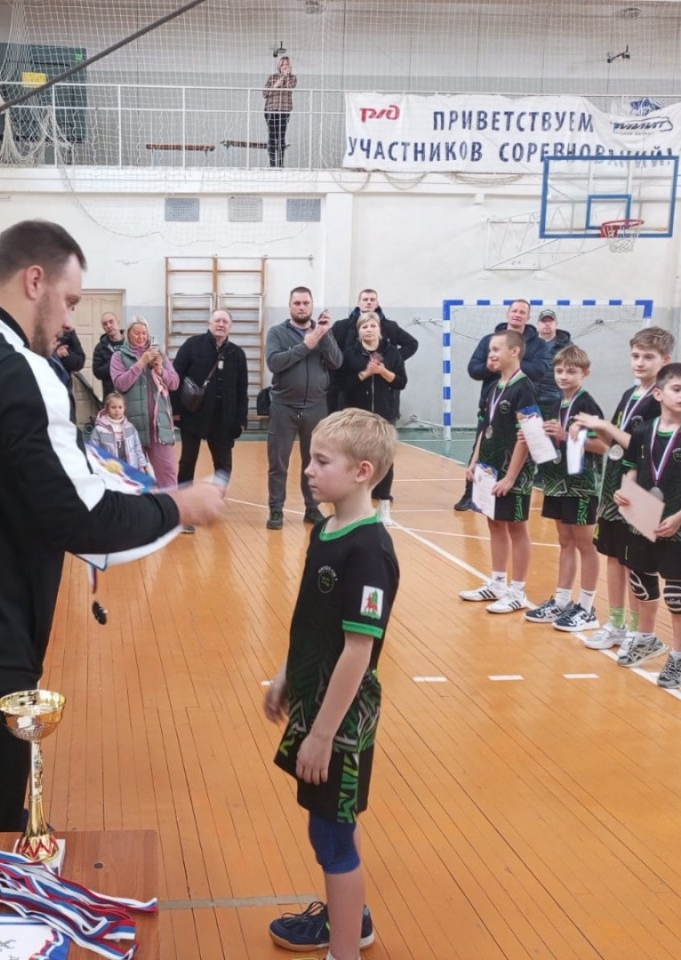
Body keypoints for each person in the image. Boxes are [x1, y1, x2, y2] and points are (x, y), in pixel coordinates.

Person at [0, 219, 225, 835]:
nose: (68, 320)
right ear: (34, 280)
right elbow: (80, 518)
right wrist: (180, 506)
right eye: (68, 300)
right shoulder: (17, 366)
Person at [263, 409, 398, 960]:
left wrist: (321, 736)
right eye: (309, 458)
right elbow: (313, 621)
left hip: (339, 719)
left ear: (363, 471)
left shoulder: (369, 550)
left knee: (331, 835)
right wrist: (286, 673)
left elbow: (358, 651)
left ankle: (344, 952)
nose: (308, 470)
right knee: (336, 822)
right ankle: (352, 921)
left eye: (322, 461)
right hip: (314, 701)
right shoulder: (326, 529)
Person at [573, 327, 674, 652]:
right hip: (613, 488)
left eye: (648, 357)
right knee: (614, 557)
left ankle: (637, 629)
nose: (639, 362)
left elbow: (648, 448)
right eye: (635, 355)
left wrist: (605, 425)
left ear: (665, 360)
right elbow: (613, 443)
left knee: (636, 563)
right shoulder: (630, 394)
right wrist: (588, 432)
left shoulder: (662, 399)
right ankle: (615, 624)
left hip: (642, 490)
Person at [611, 363, 681, 681]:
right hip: (642, 520)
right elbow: (630, 467)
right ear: (658, 393)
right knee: (642, 584)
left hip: (679, 527)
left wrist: (680, 517)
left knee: (677, 594)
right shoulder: (642, 431)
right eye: (677, 389)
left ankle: (679, 656)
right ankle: (646, 638)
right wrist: (625, 491)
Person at [522, 345, 606, 632]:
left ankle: (587, 606)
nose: (563, 376)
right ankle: (561, 600)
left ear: (585, 373)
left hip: (582, 487)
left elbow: (603, 445)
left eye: (571, 371)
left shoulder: (587, 405)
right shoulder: (559, 403)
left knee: (585, 544)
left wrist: (566, 436)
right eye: (559, 371)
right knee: (565, 542)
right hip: (558, 484)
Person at [458, 330, 537, 614]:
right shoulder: (494, 387)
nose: (490, 354)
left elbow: (526, 436)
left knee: (517, 527)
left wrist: (511, 477)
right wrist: (474, 461)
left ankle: (518, 591)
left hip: (512, 472)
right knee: (494, 523)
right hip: (489, 469)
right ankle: (498, 584)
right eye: (490, 349)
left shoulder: (524, 387)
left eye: (496, 349)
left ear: (514, 351)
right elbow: (485, 427)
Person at [454, 300, 552, 511]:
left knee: (519, 446)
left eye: (522, 312)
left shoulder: (537, 347)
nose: (517, 314)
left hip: (516, 410)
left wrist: (508, 363)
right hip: (491, 408)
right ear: (507, 314)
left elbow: (540, 371)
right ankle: (472, 494)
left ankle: (513, 484)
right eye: (514, 310)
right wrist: (492, 366)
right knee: (483, 447)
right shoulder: (489, 342)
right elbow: (474, 369)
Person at [266, 287, 343, 530]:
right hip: (284, 407)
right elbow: (274, 363)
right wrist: (305, 345)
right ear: (289, 306)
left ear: (312, 305)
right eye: (297, 303)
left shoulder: (322, 331)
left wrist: (324, 335)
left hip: (316, 408)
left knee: (314, 463)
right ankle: (276, 509)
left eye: (305, 303)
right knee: (278, 463)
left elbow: (336, 362)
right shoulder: (277, 332)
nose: (301, 307)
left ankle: (312, 508)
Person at [172, 308, 249, 491]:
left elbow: (242, 389)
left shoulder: (237, 353)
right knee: (187, 461)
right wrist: (175, 410)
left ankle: (216, 496)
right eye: (217, 321)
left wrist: (241, 420)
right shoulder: (192, 345)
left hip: (223, 418)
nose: (221, 324)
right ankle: (183, 498)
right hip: (193, 414)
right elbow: (175, 378)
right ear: (210, 323)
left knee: (223, 464)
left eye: (225, 322)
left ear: (230, 326)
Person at [339, 311, 406, 520]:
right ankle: (357, 504)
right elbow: (343, 385)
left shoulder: (392, 353)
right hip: (358, 416)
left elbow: (401, 382)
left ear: (379, 329)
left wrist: (382, 371)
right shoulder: (350, 353)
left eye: (372, 326)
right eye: (364, 326)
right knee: (357, 459)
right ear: (358, 331)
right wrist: (366, 373)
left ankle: (384, 504)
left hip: (385, 414)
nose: (369, 330)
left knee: (386, 460)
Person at [110, 318, 180, 489]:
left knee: (168, 473)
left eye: (144, 333)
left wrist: (160, 370)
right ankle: (137, 506)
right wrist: (141, 363)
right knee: (132, 476)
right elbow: (120, 384)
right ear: (128, 335)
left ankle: (170, 505)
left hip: (159, 427)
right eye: (137, 333)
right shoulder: (118, 356)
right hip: (131, 427)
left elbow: (175, 383)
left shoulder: (159, 354)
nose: (141, 337)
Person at [328, 289, 418, 414]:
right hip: (352, 397)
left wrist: (391, 360)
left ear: (377, 303)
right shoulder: (342, 326)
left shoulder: (390, 327)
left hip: (384, 398)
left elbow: (412, 344)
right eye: (365, 299)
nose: (369, 302)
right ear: (358, 303)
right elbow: (329, 349)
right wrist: (343, 362)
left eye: (372, 300)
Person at [89, 392, 150, 473]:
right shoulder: (99, 429)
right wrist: (97, 466)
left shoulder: (130, 427)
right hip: (110, 468)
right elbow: (93, 449)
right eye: (113, 407)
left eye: (120, 407)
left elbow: (138, 448)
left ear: (124, 408)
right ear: (106, 408)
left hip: (131, 467)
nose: (117, 410)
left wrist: (142, 465)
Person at [262, 55, 297, 168]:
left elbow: (290, 87)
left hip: (284, 110)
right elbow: (265, 93)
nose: (284, 66)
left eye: (287, 64)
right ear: (279, 66)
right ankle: (272, 164)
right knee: (272, 136)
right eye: (282, 64)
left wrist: (286, 76)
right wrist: (281, 78)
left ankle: (280, 164)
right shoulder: (272, 77)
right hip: (271, 109)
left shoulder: (292, 78)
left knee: (281, 136)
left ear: (290, 66)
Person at [92, 310, 125, 402]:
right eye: (105, 324)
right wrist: (114, 361)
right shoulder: (100, 348)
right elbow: (97, 372)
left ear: (118, 322)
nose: (109, 326)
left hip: (132, 393)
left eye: (111, 321)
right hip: (111, 395)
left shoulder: (130, 343)